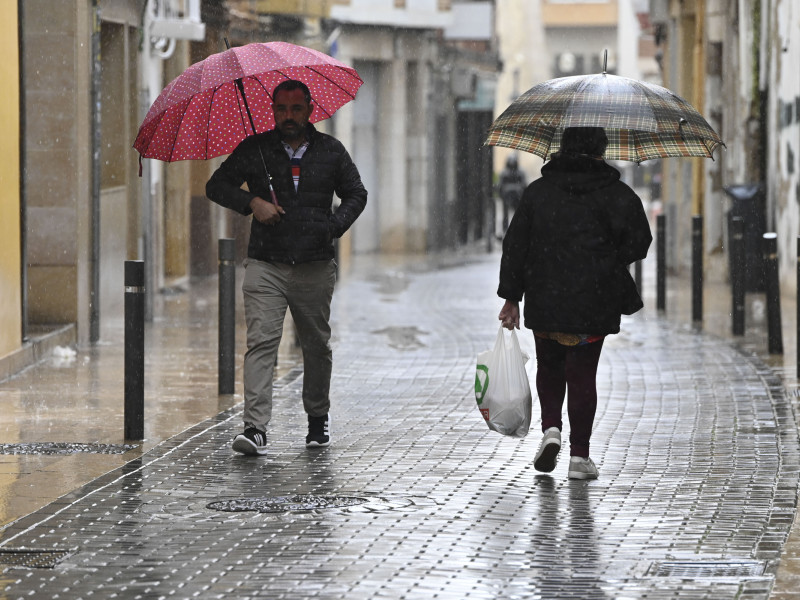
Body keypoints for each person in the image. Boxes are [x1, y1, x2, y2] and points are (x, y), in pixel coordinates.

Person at [206, 79, 367, 456]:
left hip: (314, 265)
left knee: (316, 345)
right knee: (261, 342)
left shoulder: (331, 151)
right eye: (280, 109)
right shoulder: (255, 149)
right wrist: (252, 203)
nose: (288, 116)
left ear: (309, 110)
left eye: (295, 109)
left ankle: (316, 419)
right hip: (266, 263)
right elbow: (217, 186)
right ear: (272, 110)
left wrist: (333, 225)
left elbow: (356, 193)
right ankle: (255, 428)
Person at [497, 127, 651, 480]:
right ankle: (579, 456)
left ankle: (551, 428)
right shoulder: (618, 194)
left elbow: (514, 246)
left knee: (549, 367)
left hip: (545, 295)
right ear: (600, 151)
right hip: (594, 298)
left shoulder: (538, 192)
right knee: (583, 376)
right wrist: (609, 259)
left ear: (561, 148)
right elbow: (640, 241)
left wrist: (511, 297)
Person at [497, 154, 527, 231]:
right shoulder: (504, 173)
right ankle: (506, 228)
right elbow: (500, 186)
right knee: (506, 214)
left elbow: (524, 185)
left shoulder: (520, 173)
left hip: (518, 198)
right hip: (507, 198)